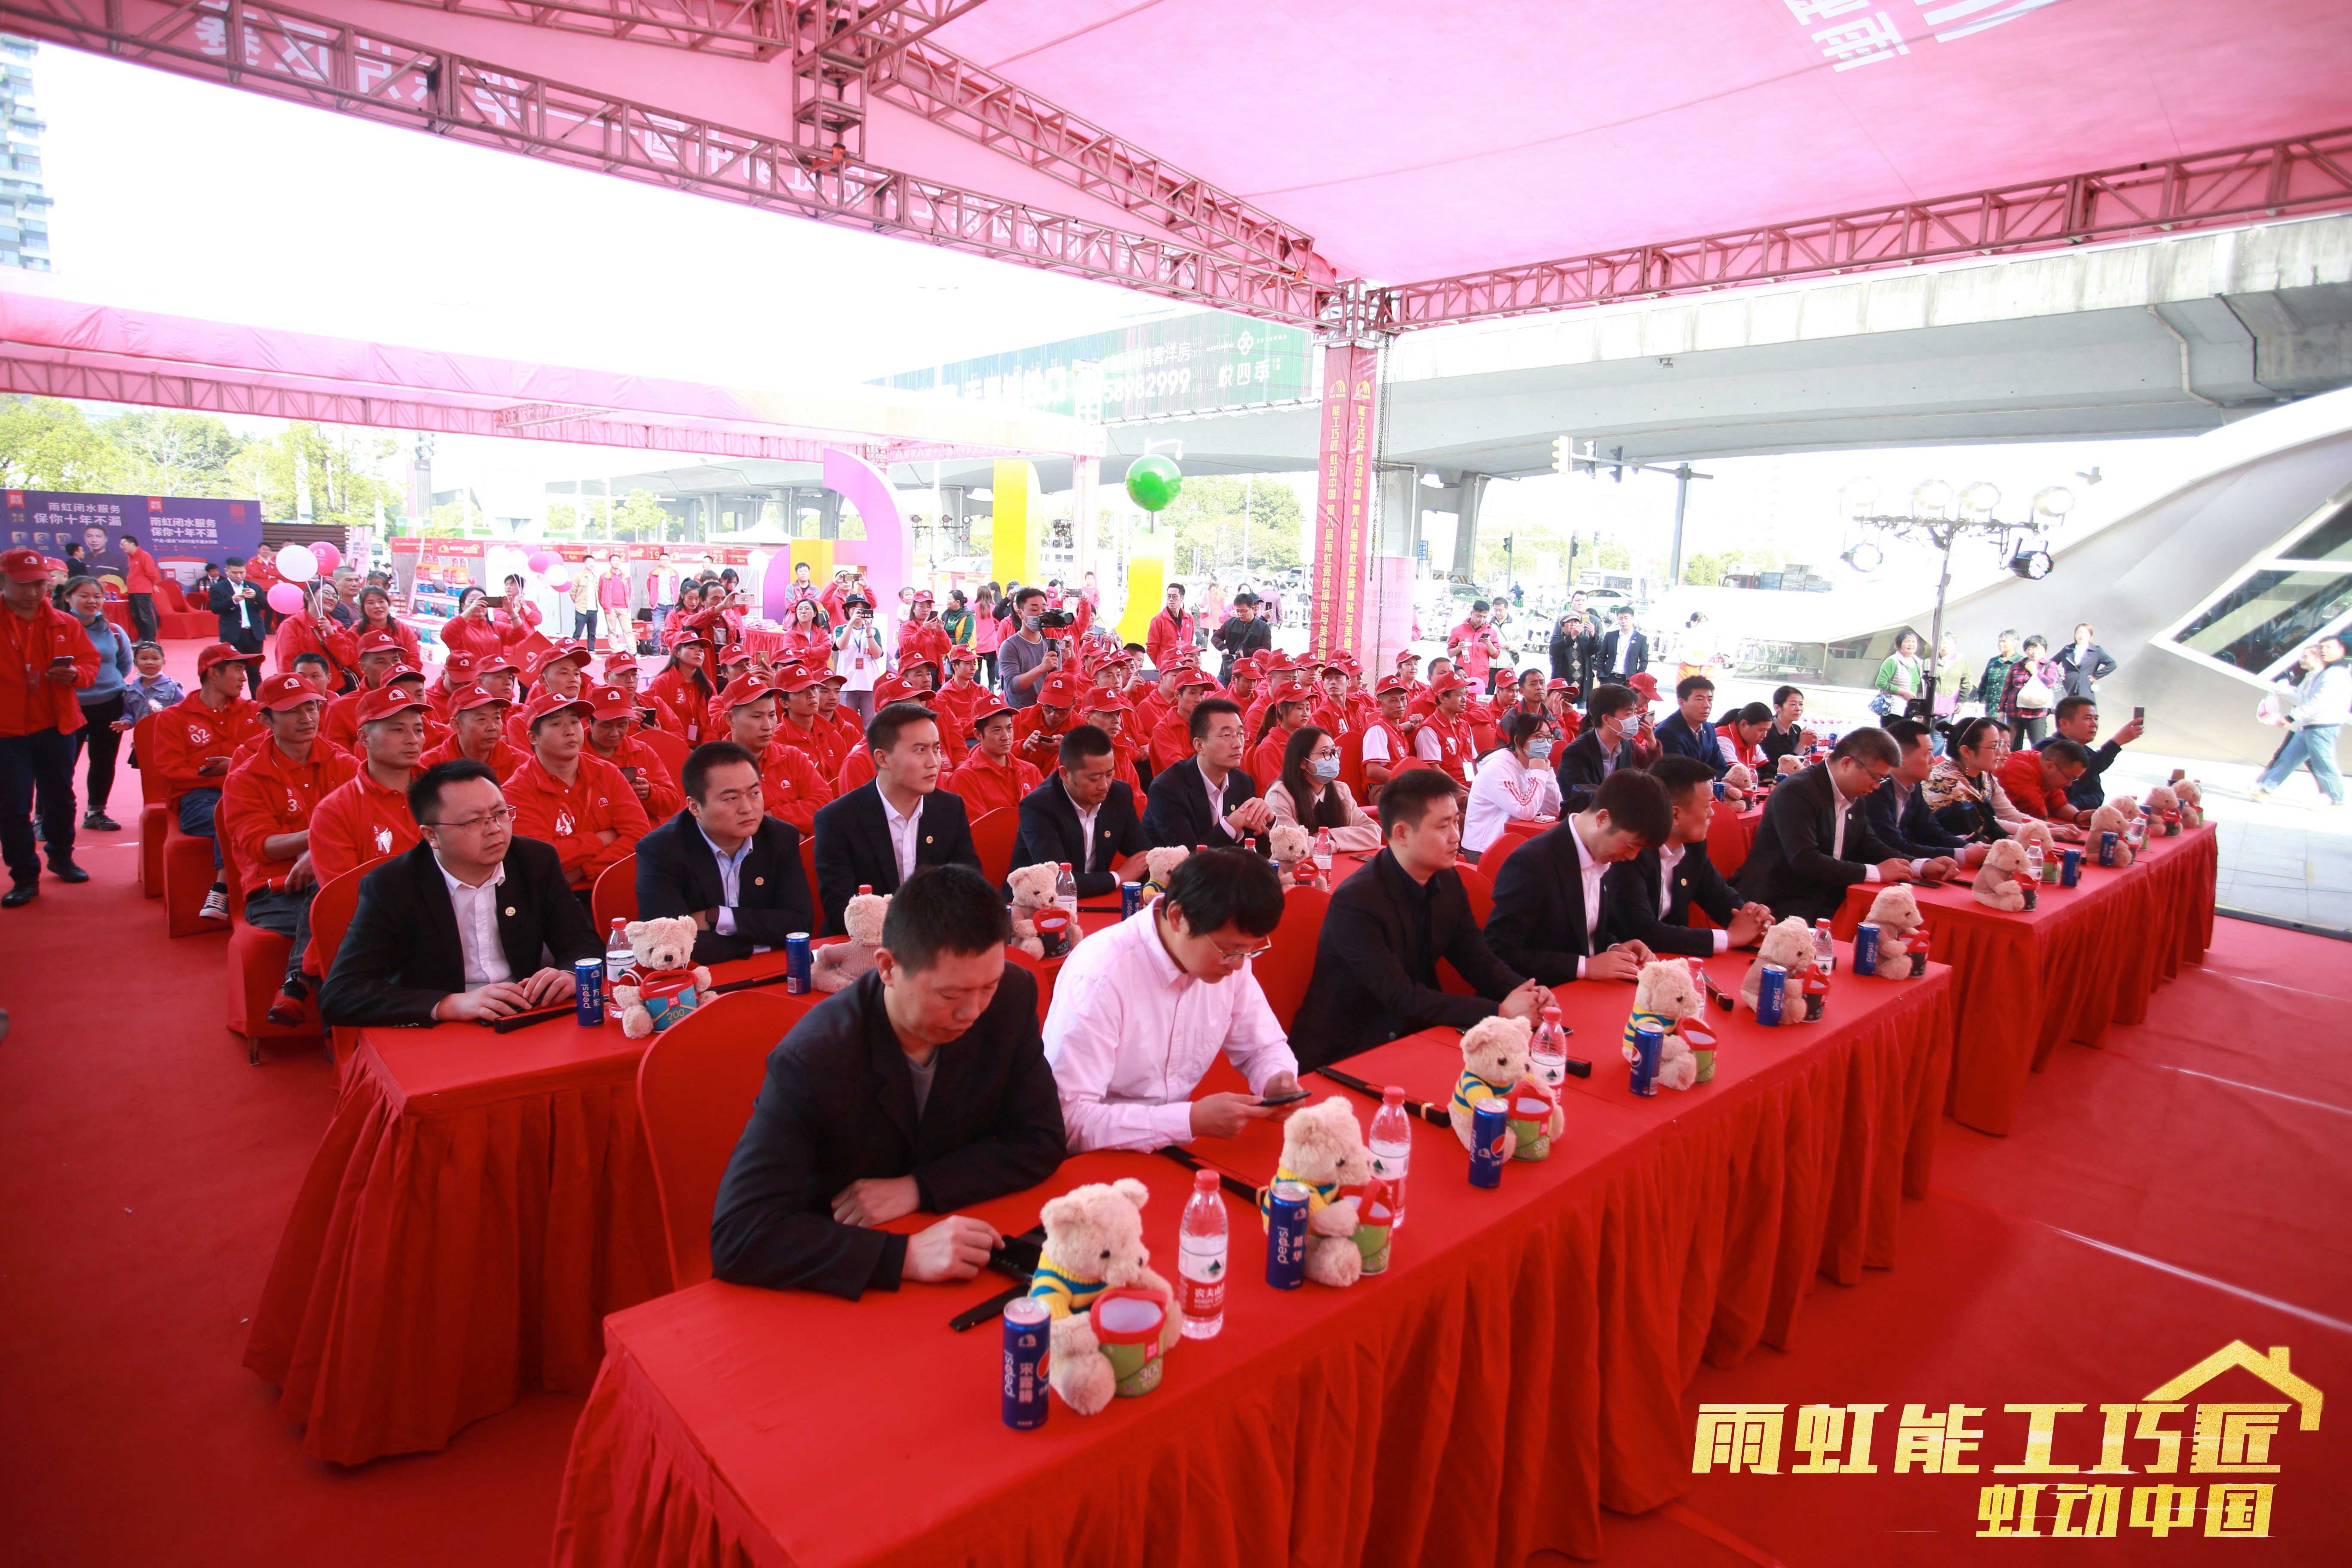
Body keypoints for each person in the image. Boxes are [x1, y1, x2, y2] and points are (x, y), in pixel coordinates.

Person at [707, 864, 1066, 1298]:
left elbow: (1042, 1138)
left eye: (987, 986)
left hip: (962, 1229)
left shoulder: (1011, 996)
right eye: (950, 995)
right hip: (845, 1265)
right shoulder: (814, 1058)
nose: (972, 1012)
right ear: (888, 967)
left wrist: (919, 1188)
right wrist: (904, 1256)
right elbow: (740, 1234)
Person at [1043, 847, 1301, 1153]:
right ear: (1178, 917)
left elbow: (1262, 1046)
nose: (1238, 965)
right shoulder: (1101, 976)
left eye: (1251, 951)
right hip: (1102, 1157)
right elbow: (1070, 1120)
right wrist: (1187, 1121)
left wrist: (1276, 1077)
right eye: (1230, 951)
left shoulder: (1230, 956)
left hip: (1175, 1147)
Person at [1289, 767, 1550, 1067]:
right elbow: (1401, 997)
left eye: (1456, 822)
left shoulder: (1448, 881)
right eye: (1443, 827)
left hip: (1417, 1032)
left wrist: (1526, 993)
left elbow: (1478, 960)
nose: (1456, 837)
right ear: (1402, 833)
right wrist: (1500, 1011)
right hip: (1349, 1049)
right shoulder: (1356, 902)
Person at [318, 760, 605, 1026]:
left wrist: (569, 974)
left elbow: (582, 943)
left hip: (524, 1014)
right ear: (432, 835)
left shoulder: (535, 861)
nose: (494, 829)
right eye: (473, 822)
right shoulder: (392, 885)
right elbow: (341, 993)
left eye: (500, 813)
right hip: (441, 1029)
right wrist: (448, 1005)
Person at [221, 672, 357, 1023]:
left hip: (336, 879)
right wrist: (321, 839)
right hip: (276, 892)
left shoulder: (343, 762)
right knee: (337, 920)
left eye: (312, 707)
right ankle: (341, 1038)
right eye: (293, 711)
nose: (307, 718)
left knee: (335, 902)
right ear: (265, 720)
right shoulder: (245, 778)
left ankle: (296, 985)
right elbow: (263, 847)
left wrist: (318, 853)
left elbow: (367, 818)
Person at [1733, 728, 1948, 925]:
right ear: (1847, 763)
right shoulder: (1797, 792)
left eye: (1882, 781)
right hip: (1778, 903)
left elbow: (1869, 844)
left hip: (1826, 895)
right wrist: (1875, 872)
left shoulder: (1854, 793)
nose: (1876, 787)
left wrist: (1919, 866)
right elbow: (1804, 860)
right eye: (1876, 778)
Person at [634, 740, 815, 963]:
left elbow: (799, 924)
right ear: (695, 807)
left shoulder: (780, 837)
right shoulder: (661, 850)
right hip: (698, 976)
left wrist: (718, 917)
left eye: (754, 793)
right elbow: (666, 945)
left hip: (772, 968)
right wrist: (759, 943)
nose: (747, 808)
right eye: (731, 798)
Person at [1486, 768, 1671, 984]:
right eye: (1631, 846)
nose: (1632, 857)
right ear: (1603, 818)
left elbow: (1586, 932)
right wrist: (1584, 967)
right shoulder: (1533, 863)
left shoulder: (1603, 854)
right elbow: (1500, 951)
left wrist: (1614, 948)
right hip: (1543, 992)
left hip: (1588, 988)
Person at [812, 701, 980, 934]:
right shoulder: (837, 820)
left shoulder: (950, 809)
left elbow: (969, 887)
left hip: (936, 940)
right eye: (920, 750)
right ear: (882, 759)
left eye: (936, 749)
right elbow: (842, 912)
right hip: (866, 946)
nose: (934, 762)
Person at [0, 548, 100, 906]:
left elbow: (90, 662)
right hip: (7, 731)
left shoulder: (64, 623)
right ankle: (24, 875)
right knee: (13, 804)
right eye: (23, 584)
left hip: (57, 725)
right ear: (4, 581)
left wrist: (75, 674)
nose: (33, 593)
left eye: (40, 584)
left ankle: (61, 856)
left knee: (60, 797)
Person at [1603, 757, 1772, 958]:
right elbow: (1642, 931)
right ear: (1675, 815)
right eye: (1707, 806)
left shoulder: (1692, 847)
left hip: (1672, 962)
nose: (1712, 814)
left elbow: (1719, 897)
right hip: (1627, 961)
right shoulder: (1630, 852)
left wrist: (1754, 919)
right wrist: (1730, 938)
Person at [148, 643, 264, 920]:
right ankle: (255, 894)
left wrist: (231, 767)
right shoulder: (173, 717)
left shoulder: (255, 713)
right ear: (213, 673)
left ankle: (221, 889)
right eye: (238, 670)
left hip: (249, 794)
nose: (244, 678)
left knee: (248, 818)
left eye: (244, 671)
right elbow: (170, 770)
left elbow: (271, 755)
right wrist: (231, 773)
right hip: (199, 798)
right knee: (231, 819)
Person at [504, 688, 652, 895]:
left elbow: (639, 834)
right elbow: (542, 858)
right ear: (533, 737)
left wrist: (585, 870)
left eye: (574, 722)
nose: (570, 731)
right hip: (556, 896)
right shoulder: (516, 791)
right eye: (557, 724)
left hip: (615, 883)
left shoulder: (606, 772)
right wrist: (602, 839)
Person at [1006, 724, 1150, 898]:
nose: (1104, 786)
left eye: (1109, 774)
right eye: (1094, 778)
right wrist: (1118, 877)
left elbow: (1144, 856)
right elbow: (1057, 881)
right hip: (1037, 903)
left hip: (1096, 899)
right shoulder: (1038, 807)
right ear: (1065, 774)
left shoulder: (1119, 795)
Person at [307, 683, 430, 888]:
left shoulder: (445, 793)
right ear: (364, 738)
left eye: (418, 730)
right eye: (398, 730)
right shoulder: (334, 811)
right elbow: (343, 893)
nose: (413, 740)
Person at [1141, 696, 1272, 851]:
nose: (1238, 744)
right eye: (1226, 736)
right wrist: (1232, 824)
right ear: (1199, 745)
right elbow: (1189, 856)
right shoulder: (1167, 788)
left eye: (1240, 734)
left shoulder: (1243, 782)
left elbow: (1255, 848)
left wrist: (1270, 820)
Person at [1862, 717, 1989, 869]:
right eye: (1927, 754)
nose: (1933, 760)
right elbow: (1893, 845)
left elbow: (1930, 830)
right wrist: (1962, 855)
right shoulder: (1875, 789)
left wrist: (1967, 847)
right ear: (1900, 758)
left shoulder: (1913, 785)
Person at [60, 576, 133, 833]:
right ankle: (44, 817)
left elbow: (124, 665)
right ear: (68, 598)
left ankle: (96, 812)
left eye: (97, 596)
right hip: (69, 705)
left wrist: (105, 683)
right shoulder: (57, 630)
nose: (92, 601)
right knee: (60, 765)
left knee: (104, 761)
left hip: (110, 704)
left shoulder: (114, 631)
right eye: (84, 596)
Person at [2251, 637, 2348, 806]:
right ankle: (2265, 790)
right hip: (2311, 725)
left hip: (2322, 726)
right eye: (2322, 647)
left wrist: (2292, 718)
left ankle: (2337, 799)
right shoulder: (2327, 672)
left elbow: (2318, 702)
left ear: (2341, 651)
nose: (2324, 651)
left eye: (2329, 647)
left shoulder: (2335, 674)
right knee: (2288, 758)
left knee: (2323, 764)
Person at [1265, 725, 1381, 853]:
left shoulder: (1341, 790)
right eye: (1325, 753)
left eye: (1334, 752)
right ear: (1303, 762)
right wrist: (1337, 843)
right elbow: (1293, 846)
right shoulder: (1280, 794)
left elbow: (1373, 834)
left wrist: (1328, 836)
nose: (1334, 759)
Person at [1461, 709, 1562, 855]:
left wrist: (1547, 774)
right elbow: (1525, 811)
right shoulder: (1498, 767)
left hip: (1514, 844)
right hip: (1484, 849)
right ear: (1519, 740)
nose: (1546, 743)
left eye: (1549, 737)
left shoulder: (1533, 765)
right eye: (1539, 737)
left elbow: (1554, 810)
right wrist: (1539, 774)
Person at [584, 682, 686, 824]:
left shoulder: (642, 751)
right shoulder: (574, 756)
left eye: (622, 725)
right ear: (589, 722)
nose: (615, 733)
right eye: (606, 726)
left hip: (646, 833)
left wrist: (650, 793)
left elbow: (672, 803)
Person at [1923, 717, 2038, 842]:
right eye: (1994, 746)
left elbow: (1987, 822)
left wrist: (2021, 835)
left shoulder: (1981, 777)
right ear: (1966, 751)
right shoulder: (1947, 784)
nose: (2000, 752)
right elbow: (1967, 837)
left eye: (2000, 745)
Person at [2040, 695, 2144, 812]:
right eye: (2088, 719)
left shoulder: (2089, 752)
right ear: (2065, 724)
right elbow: (2082, 776)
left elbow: (2096, 795)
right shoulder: (2048, 747)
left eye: (2096, 719)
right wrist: (2116, 743)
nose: (2094, 724)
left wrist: (2070, 808)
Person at [1554, 682, 1640, 812]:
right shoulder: (1577, 752)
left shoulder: (1625, 745)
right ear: (1606, 719)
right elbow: (1580, 799)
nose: (1634, 720)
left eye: (1635, 713)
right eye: (1628, 714)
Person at [421, 682, 529, 783]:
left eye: (497, 718)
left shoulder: (522, 764)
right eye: (482, 719)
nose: (492, 727)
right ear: (456, 725)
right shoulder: (428, 767)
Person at [1653, 674, 1737, 796]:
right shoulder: (1667, 732)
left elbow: (1723, 768)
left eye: (1710, 699)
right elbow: (1681, 776)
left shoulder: (1709, 729)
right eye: (1699, 700)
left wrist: (1708, 781)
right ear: (1682, 702)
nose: (1706, 705)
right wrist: (1710, 780)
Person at [1999, 738, 2097, 835]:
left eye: (2074, 779)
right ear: (2049, 766)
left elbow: (2058, 804)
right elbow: (2039, 815)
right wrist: (2053, 828)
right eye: (2069, 778)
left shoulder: (2046, 768)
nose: (2069, 784)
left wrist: (2078, 816)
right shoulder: (2019, 770)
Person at [207, 556, 269, 695]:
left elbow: (267, 606)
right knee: (231, 673)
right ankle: (233, 702)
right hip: (232, 636)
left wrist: (256, 597)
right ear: (226, 571)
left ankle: (258, 703)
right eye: (235, 573)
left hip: (254, 635)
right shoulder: (217, 588)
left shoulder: (254, 587)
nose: (239, 576)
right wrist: (233, 601)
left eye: (242, 572)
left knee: (255, 673)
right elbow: (215, 608)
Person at [438, 585, 536, 665]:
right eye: (473, 602)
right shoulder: (458, 628)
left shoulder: (496, 627)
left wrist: (511, 612)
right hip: (470, 679)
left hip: (496, 678)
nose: (480, 605)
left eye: (484, 601)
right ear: (463, 606)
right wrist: (471, 609)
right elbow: (447, 636)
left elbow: (520, 634)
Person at [1412, 671, 1477, 786]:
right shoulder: (1430, 729)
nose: (1464, 700)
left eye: (1465, 694)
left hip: (1471, 786)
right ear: (1442, 698)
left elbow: (1474, 761)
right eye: (1459, 695)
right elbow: (1433, 770)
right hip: (1446, 788)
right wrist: (1463, 790)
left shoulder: (1465, 725)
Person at [832, 595, 888, 720]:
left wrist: (869, 634)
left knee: (870, 724)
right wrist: (851, 623)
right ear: (847, 610)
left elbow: (877, 655)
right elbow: (841, 646)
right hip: (847, 684)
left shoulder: (874, 631)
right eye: (854, 608)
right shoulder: (840, 629)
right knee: (848, 722)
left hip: (869, 685)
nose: (858, 612)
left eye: (862, 609)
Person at [2000, 634, 2059, 745]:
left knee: (2038, 746)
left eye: (2037, 648)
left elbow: (2050, 683)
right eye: (2030, 649)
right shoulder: (2017, 666)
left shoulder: (2049, 665)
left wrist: (2035, 671)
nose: (2033, 652)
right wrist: (2002, 710)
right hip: (2015, 712)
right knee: (2012, 747)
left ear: (2044, 650)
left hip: (2037, 713)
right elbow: (2007, 689)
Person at [1210, 590, 1272, 684]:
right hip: (1227, 671)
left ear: (1252, 608)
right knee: (1219, 691)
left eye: (1243, 611)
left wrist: (1246, 652)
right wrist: (1223, 648)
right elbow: (1216, 637)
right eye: (1238, 611)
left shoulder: (1263, 627)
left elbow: (1266, 648)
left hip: (1250, 672)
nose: (1240, 614)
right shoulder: (1230, 623)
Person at [119, 640, 183, 725]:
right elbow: (129, 713)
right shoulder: (131, 690)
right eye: (144, 659)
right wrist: (127, 722)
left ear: (164, 662)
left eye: (155, 659)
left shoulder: (173, 689)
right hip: (142, 732)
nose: (149, 662)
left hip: (167, 732)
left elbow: (183, 711)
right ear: (135, 662)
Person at [1448, 601, 1504, 696]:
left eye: (1485, 617)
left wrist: (1489, 643)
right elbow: (1450, 653)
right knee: (1459, 701)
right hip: (1462, 676)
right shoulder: (1458, 630)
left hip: (1481, 677)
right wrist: (1458, 648)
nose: (1481, 620)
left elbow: (1495, 655)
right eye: (1479, 616)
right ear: (1472, 613)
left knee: (1478, 703)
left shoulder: (1491, 632)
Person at [2053, 622, 2115, 701]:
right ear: (2075, 635)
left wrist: (2095, 676)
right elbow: (2051, 663)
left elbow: (2112, 664)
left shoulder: (2096, 651)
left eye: (2085, 633)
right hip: (2068, 688)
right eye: (2079, 632)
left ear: (2090, 636)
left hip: (2085, 688)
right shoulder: (2067, 650)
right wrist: (2058, 677)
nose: (2081, 635)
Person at [119, 531, 164, 643]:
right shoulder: (130, 558)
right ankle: (143, 638)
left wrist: (153, 585)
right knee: (136, 616)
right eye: (121, 545)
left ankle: (151, 640)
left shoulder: (144, 556)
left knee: (145, 616)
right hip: (132, 590)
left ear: (132, 544)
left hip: (143, 591)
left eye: (124, 544)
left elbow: (152, 574)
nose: (122, 547)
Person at [1761, 685, 1815, 770]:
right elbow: (1784, 767)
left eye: (1801, 704)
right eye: (1793, 704)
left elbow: (1804, 762)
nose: (1798, 709)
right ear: (1777, 708)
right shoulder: (1768, 731)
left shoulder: (1796, 729)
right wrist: (1803, 744)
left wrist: (1808, 745)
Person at [1145, 583, 1195, 672]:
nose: (1171, 600)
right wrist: (1161, 663)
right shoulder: (1158, 620)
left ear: (1182, 598)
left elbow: (1190, 643)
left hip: (1184, 667)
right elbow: (1151, 648)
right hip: (1166, 669)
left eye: (1175, 597)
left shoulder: (1189, 619)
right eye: (1169, 596)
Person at [1874, 630, 1925, 717]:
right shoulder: (1893, 661)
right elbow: (1881, 683)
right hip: (1893, 708)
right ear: (1899, 644)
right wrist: (1904, 693)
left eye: (1913, 642)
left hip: (1910, 708)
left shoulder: (1918, 663)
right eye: (1907, 642)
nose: (1911, 645)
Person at [1976, 629, 2022, 717]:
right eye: (2000, 641)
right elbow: (1984, 683)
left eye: (2004, 642)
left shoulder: (2021, 662)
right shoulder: (1993, 661)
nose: (2001, 644)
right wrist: (1978, 700)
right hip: (1991, 710)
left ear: (2015, 643)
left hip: (2010, 712)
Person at [1717, 701, 1773, 772]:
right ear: (1743, 724)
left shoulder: (1751, 741)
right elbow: (1736, 773)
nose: (1764, 736)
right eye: (1761, 730)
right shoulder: (1723, 739)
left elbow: (1766, 768)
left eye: (1767, 731)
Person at [1598, 606, 1647, 681]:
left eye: (1626, 618)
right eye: (1621, 619)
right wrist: (1600, 674)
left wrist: (1637, 677)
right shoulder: (1610, 636)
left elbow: (1644, 661)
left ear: (1633, 619)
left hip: (1629, 679)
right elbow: (1601, 656)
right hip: (1609, 677)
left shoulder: (1641, 639)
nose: (1623, 621)